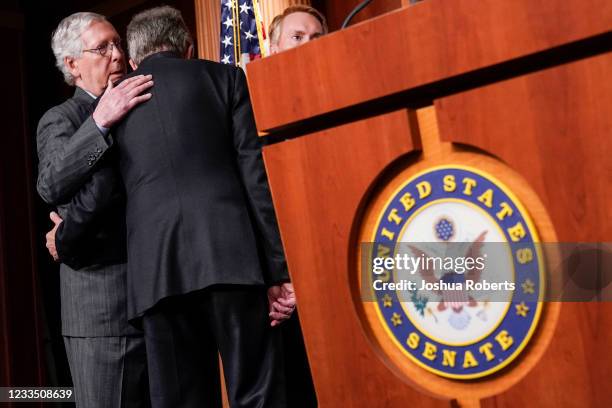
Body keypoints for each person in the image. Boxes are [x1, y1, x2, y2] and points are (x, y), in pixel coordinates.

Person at [109, 6, 292, 407]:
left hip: (156, 274)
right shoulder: (225, 77)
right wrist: (278, 269)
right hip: (231, 259)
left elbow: (103, 197)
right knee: (257, 393)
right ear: (188, 48)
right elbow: (254, 177)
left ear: (135, 59)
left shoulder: (112, 106)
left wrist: (62, 234)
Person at [36, 12, 153, 407]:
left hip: (157, 301)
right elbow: (51, 183)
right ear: (72, 65)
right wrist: (100, 122)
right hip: (101, 313)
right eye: (102, 48)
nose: (117, 55)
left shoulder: (142, 106)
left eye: (118, 43)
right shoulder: (60, 119)